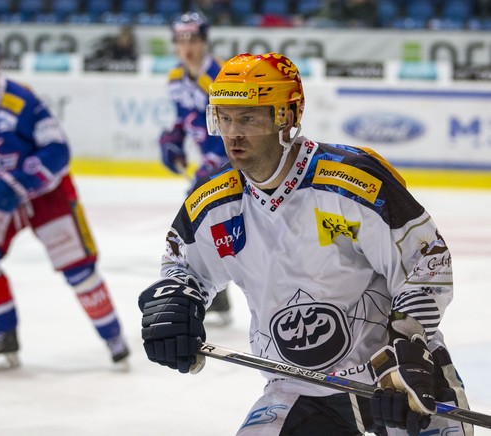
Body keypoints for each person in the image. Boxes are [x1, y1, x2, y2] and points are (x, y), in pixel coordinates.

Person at [138, 52, 472, 435]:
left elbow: (425, 262)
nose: (233, 134)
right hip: (297, 386)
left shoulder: (353, 182)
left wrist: (409, 350)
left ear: (288, 117)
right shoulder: (213, 204)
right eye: (225, 118)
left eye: (248, 118)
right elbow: (182, 268)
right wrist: (176, 302)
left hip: (397, 380)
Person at [0, 30, 129, 371]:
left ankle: (113, 336)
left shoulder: (21, 101)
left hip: (48, 192)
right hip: (4, 190)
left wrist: (23, 182)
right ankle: (4, 334)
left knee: (78, 269)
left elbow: (58, 150)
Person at [159, 11, 232, 325]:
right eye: (181, 39)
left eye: (194, 39)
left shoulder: (220, 78)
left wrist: (213, 163)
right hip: (209, 163)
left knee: (203, 223)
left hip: (234, 159)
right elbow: (182, 117)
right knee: (210, 227)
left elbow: (234, 126)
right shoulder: (176, 78)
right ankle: (219, 297)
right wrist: (172, 140)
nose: (187, 46)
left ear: (205, 42)